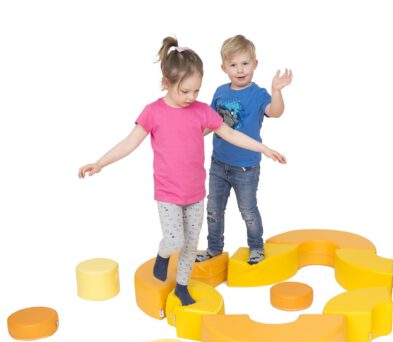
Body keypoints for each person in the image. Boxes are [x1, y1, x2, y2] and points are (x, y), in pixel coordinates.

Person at [78, 36, 285, 306]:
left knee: (190, 244)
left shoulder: (201, 111)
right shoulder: (153, 112)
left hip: (195, 193)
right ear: (167, 83)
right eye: (185, 91)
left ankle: (182, 287)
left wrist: (263, 148)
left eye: (196, 91)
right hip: (168, 194)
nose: (191, 97)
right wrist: (100, 162)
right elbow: (130, 143)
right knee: (175, 240)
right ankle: (163, 255)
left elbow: (230, 134)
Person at [196, 35, 292, 265]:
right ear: (224, 68)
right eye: (233, 65)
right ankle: (214, 248)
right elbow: (211, 123)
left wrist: (276, 91)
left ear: (255, 64)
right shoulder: (220, 92)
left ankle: (256, 247)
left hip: (246, 167)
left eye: (245, 63)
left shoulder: (258, 94)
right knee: (213, 209)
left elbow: (276, 111)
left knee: (248, 210)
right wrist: (192, 135)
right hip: (218, 164)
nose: (240, 70)